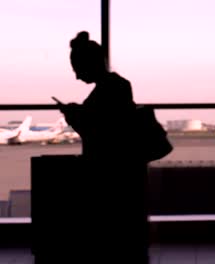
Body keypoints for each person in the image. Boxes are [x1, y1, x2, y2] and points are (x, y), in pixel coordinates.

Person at [57, 31, 148, 263]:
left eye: (77, 69)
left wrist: (74, 116)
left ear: (89, 64)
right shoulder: (118, 86)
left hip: (109, 170)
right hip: (123, 169)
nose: (77, 77)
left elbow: (100, 132)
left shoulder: (108, 90)